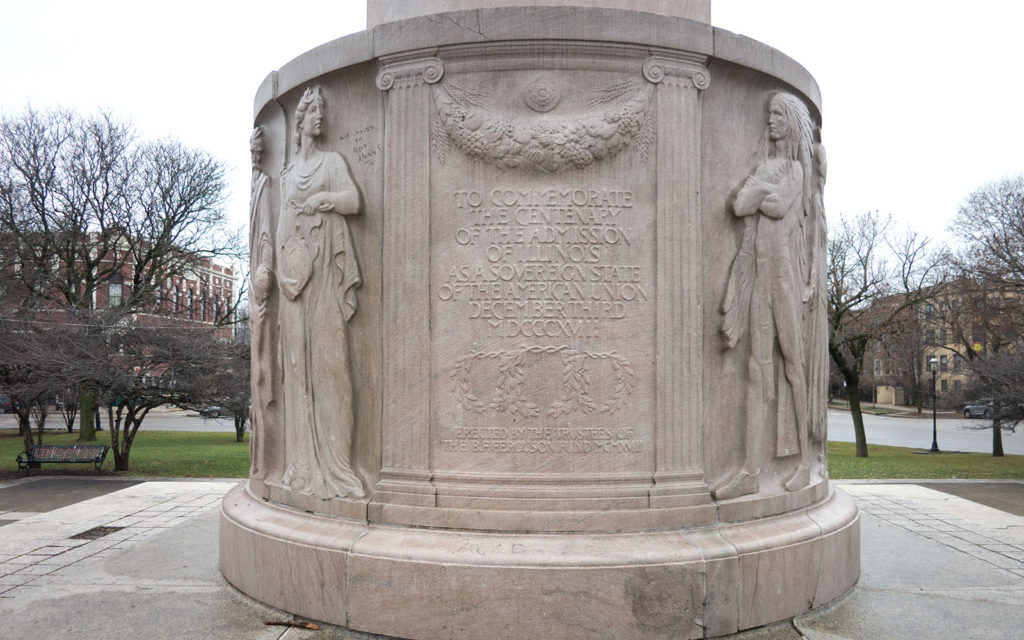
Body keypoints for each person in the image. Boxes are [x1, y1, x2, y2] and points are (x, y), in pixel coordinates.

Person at [716, 93, 818, 500]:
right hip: (759, 278)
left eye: (778, 114)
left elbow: (774, 207)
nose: (771, 120)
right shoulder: (765, 167)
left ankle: (804, 462)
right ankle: (749, 470)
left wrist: (759, 191)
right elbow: (742, 206)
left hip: (784, 280)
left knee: (793, 366)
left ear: (791, 122)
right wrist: (759, 190)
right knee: (757, 370)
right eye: (769, 113)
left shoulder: (795, 169)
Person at [277, 86, 364, 499]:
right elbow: (279, 234)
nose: (320, 119)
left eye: (323, 112)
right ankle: (303, 467)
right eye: (314, 112)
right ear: (300, 121)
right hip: (296, 284)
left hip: (327, 276)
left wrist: (327, 198)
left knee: (333, 370)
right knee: (298, 373)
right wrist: (283, 278)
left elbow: (354, 201)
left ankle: (339, 469)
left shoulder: (332, 162)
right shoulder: (287, 176)